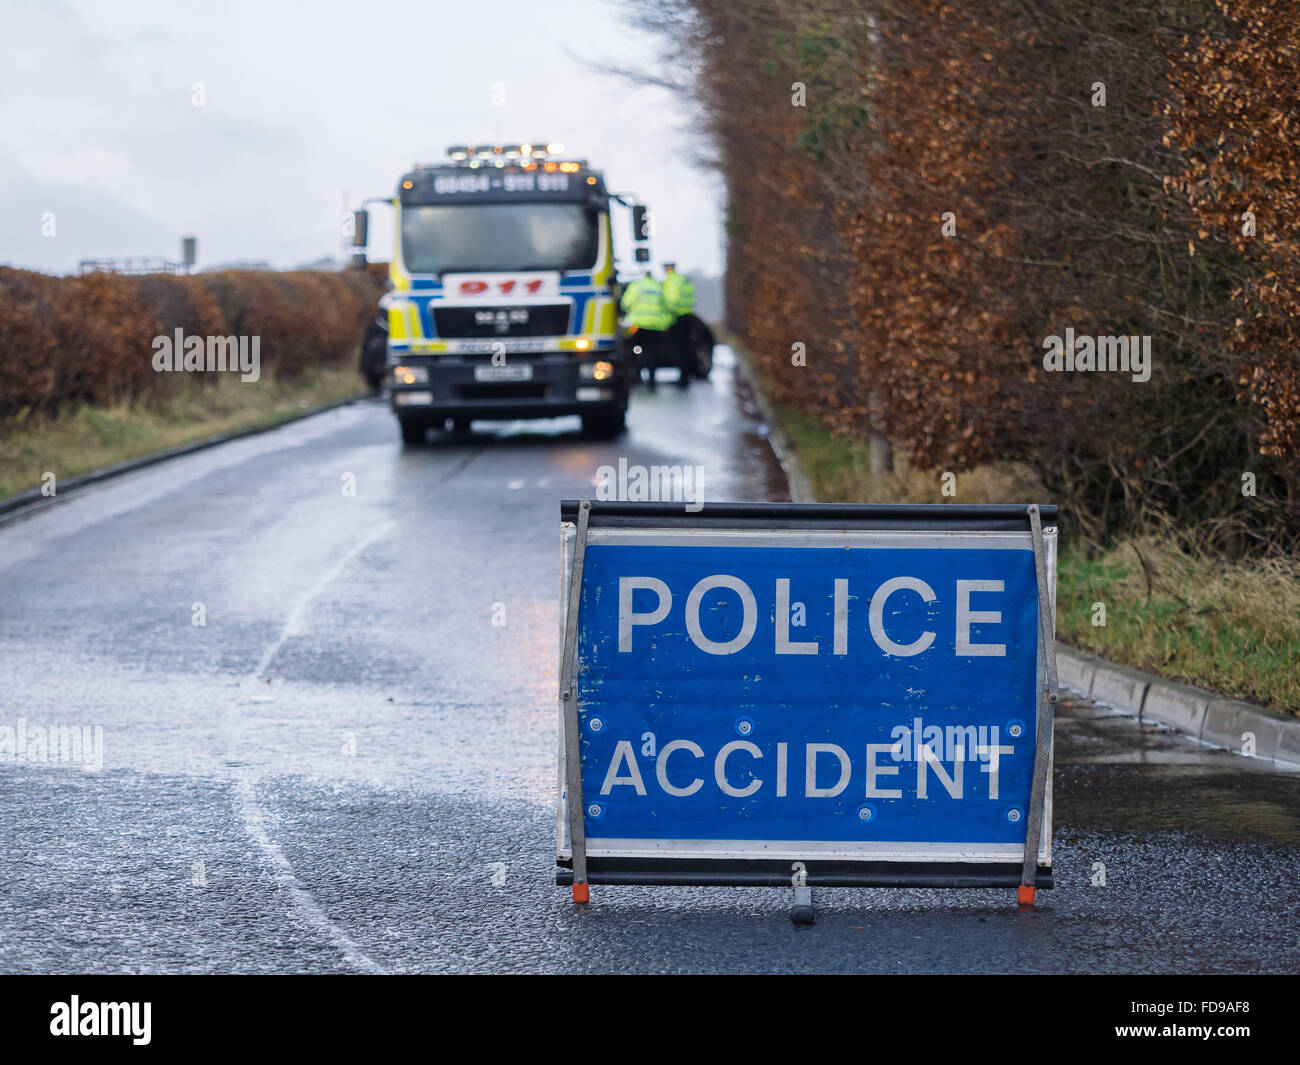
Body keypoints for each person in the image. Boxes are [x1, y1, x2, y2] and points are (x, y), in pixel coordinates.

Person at [619, 268, 673, 390]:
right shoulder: (658, 287)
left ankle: (637, 376)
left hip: (639, 325)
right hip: (656, 325)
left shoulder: (637, 286)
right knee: (652, 352)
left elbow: (625, 303)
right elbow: (666, 305)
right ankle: (652, 379)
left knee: (637, 350)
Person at [663, 262, 696, 388]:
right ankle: (685, 375)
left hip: (676, 317)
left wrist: (666, 312)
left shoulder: (672, 280)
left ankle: (682, 378)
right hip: (687, 315)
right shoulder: (683, 280)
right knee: (685, 347)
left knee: (678, 348)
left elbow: (672, 300)